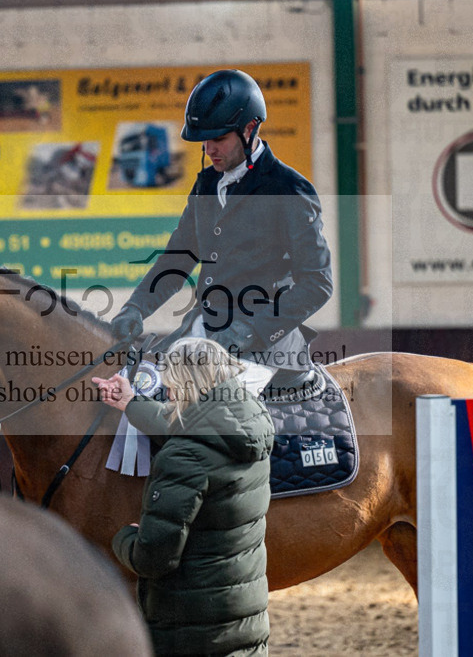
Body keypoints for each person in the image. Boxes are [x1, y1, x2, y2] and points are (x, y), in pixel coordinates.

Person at [109, 69, 332, 372]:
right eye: (204, 140)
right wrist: (135, 308)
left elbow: (317, 283)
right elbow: (178, 261)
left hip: (264, 345)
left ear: (250, 128)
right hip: (206, 332)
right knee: (143, 384)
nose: (209, 149)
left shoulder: (288, 189)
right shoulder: (207, 185)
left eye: (219, 139)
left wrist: (251, 330)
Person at [93, 337, 274, 656]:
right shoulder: (247, 423)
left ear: (187, 385)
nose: (168, 392)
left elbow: (154, 558)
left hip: (191, 628)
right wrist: (131, 403)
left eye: (172, 385)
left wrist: (124, 538)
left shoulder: (184, 456)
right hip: (243, 621)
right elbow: (190, 425)